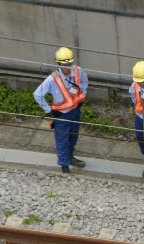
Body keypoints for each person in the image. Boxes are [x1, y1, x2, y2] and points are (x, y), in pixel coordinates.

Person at [33, 46, 88, 174]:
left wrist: (82, 95)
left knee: (73, 137)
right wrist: (48, 110)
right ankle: (64, 165)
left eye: (70, 64)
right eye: (65, 65)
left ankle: (70, 157)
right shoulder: (52, 79)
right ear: (58, 64)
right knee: (62, 139)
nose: (68, 67)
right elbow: (37, 94)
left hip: (75, 111)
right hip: (62, 115)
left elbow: (84, 81)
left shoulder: (78, 71)